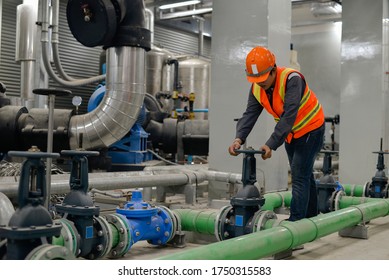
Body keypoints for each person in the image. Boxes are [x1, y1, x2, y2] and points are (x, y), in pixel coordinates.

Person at [228, 46, 325, 222]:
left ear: (273, 70)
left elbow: (289, 115)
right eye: (256, 79)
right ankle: (311, 216)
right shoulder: (257, 88)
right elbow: (250, 114)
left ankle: (296, 224)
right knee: (304, 173)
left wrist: (271, 144)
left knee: (298, 174)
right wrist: (238, 138)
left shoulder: (292, 79)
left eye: (263, 79)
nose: (260, 83)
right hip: (291, 134)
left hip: (311, 128)